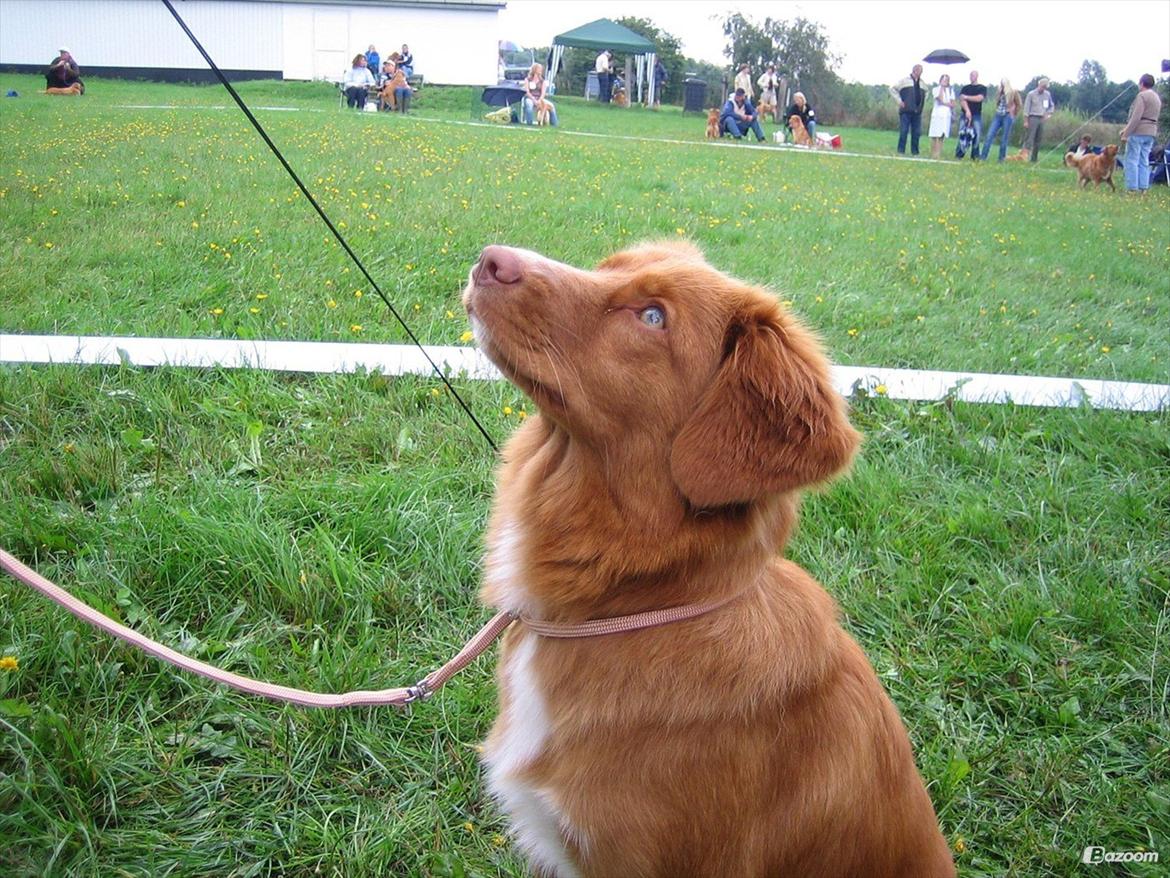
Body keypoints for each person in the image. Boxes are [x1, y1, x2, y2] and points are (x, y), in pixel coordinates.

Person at [1120, 73, 1163, 194]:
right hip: (1151, 131)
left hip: (1138, 131)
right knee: (1144, 160)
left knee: (1132, 159)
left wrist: (1126, 133)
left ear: (1142, 83)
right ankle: (1143, 187)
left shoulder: (1142, 96)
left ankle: (1132, 188)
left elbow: (1136, 117)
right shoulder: (1156, 97)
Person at [980, 78, 1023, 161]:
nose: (1002, 85)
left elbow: (1019, 104)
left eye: (1003, 84)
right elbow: (998, 102)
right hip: (998, 114)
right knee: (989, 135)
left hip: (1007, 116)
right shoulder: (999, 92)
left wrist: (1013, 114)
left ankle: (1001, 158)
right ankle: (983, 156)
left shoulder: (1013, 92)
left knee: (1004, 138)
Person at [891, 64, 927, 155]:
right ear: (914, 71)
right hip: (906, 110)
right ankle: (901, 150)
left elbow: (926, 93)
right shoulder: (904, 81)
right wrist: (899, 101)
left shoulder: (922, 83)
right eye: (919, 71)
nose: (920, 73)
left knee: (916, 132)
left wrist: (922, 102)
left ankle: (915, 152)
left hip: (917, 111)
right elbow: (892, 89)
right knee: (904, 131)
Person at [1021, 77, 1054, 163]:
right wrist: (1025, 120)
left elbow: (1051, 106)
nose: (1043, 89)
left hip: (1042, 118)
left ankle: (1034, 159)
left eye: (1045, 87)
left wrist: (1049, 114)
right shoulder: (1031, 94)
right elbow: (1026, 108)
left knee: (1038, 139)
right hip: (1033, 117)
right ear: (1039, 85)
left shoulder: (1047, 94)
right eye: (1042, 86)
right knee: (1029, 138)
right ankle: (1024, 157)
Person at [957, 70, 987, 159]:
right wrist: (967, 111)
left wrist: (966, 97)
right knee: (962, 133)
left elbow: (979, 98)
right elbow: (962, 100)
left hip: (977, 114)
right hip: (965, 114)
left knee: (976, 135)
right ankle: (959, 154)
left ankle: (975, 155)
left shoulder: (982, 88)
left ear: (977, 76)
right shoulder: (965, 88)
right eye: (971, 75)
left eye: (973, 75)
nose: (972, 77)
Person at [928, 73, 955, 159]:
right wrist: (942, 88)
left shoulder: (950, 91)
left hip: (946, 115)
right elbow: (939, 100)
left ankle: (938, 153)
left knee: (942, 135)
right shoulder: (936, 89)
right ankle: (933, 153)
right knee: (935, 134)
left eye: (946, 80)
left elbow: (953, 103)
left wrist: (947, 104)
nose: (945, 82)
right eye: (943, 80)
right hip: (937, 114)